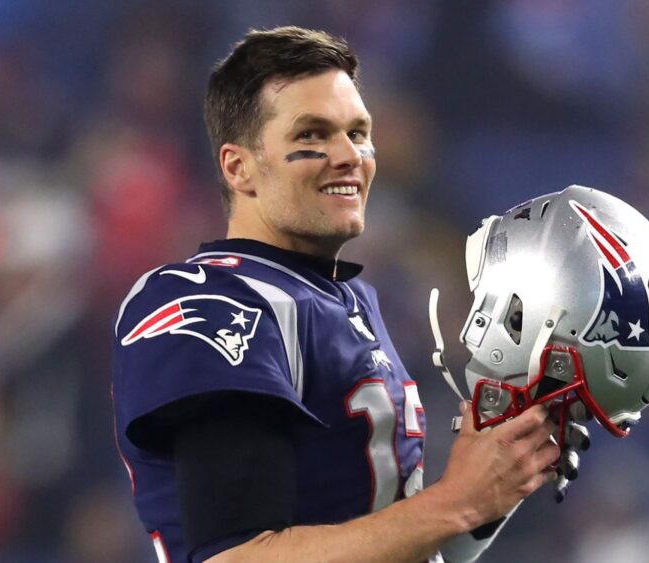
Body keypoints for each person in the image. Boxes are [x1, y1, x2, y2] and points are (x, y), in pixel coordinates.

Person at [112, 26, 565, 563]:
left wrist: (499, 480)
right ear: (239, 167)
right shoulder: (212, 298)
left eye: (358, 133)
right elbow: (235, 558)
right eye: (312, 136)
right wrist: (456, 502)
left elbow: (395, 538)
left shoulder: (353, 299)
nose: (349, 155)